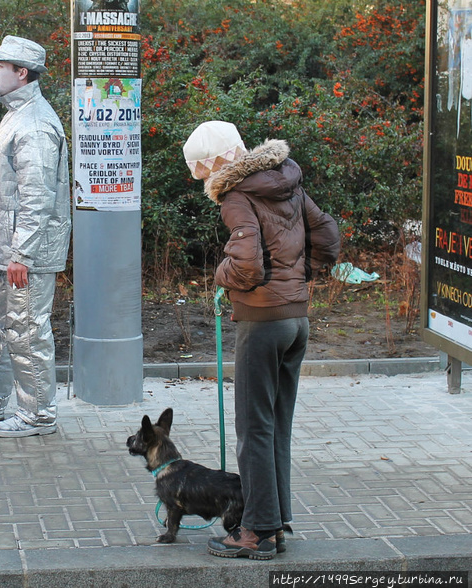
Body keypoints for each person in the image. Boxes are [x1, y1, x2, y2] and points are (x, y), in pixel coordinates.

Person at [182, 121, 340, 559]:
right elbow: (327, 236)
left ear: (217, 163)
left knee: (253, 430)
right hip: (296, 321)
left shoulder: (237, 195)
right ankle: (276, 522)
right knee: (275, 427)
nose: (202, 180)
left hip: (263, 322)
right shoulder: (284, 179)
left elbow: (247, 265)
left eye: (201, 170)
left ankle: (256, 532)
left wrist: (220, 276)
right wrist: (300, 278)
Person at [0, 36, 71, 438]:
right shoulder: (18, 115)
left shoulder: (35, 123)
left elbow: (37, 196)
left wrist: (21, 254)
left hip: (26, 253)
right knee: (4, 326)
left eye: (0, 66)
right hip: (10, 249)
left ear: (21, 72)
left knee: (26, 331)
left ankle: (38, 415)